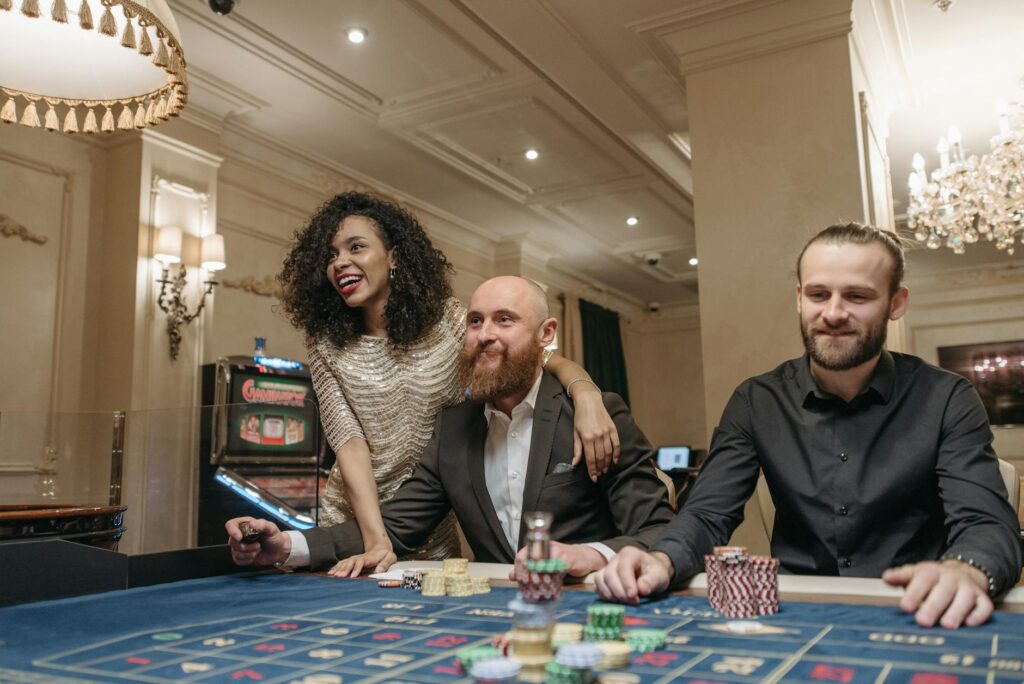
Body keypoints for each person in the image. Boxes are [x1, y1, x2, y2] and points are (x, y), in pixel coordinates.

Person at [594, 222, 1022, 629]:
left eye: (857, 296)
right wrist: (663, 558)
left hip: (916, 606)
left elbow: (987, 524)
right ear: (799, 297)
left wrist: (966, 569)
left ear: (896, 303)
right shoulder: (755, 400)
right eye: (819, 294)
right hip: (796, 607)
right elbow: (707, 513)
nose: (833, 313)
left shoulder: (948, 397)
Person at [228, 276, 674, 579]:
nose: (485, 335)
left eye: (505, 319)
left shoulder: (596, 416)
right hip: (494, 623)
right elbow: (394, 526)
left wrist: (586, 556)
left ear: (546, 334)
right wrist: (286, 545)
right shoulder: (453, 430)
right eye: (476, 322)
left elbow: (658, 531)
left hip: (588, 611)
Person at [277, 193, 621, 572]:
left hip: (431, 505)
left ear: (393, 255)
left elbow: (540, 358)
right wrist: (376, 537)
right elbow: (348, 441)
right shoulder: (326, 343)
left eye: (355, 247)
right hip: (358, 517)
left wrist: (586, 393)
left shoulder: (449, 322)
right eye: (330, 255)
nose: (340, 261)